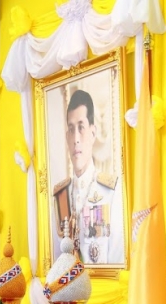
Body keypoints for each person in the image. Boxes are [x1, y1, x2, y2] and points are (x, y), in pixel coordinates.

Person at [59, 89, 124, 265]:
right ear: (67, 137)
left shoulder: (111, 191)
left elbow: (117, 260)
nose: (76, 139)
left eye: (81, 127)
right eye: (71, 129)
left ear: (93, 133)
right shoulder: (60, 196)